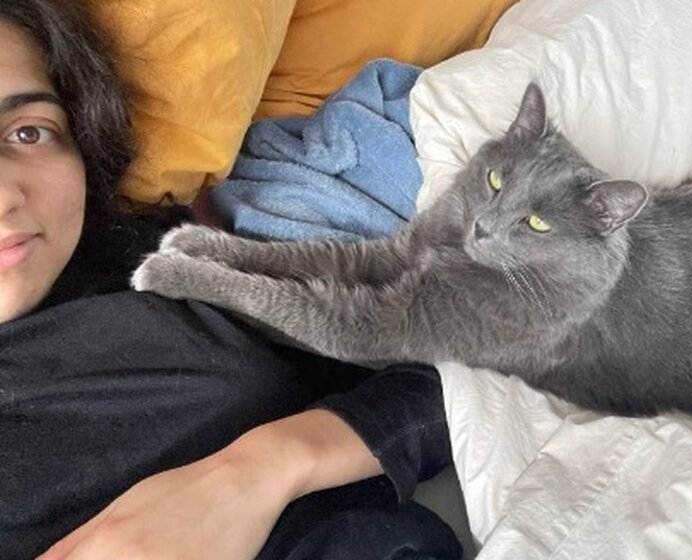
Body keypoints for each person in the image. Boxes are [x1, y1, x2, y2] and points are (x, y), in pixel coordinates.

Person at [0, 1, 460, 559]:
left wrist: (258, 470)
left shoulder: (124, 256)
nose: (5, 196)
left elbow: (462, 376)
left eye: (28, 132)